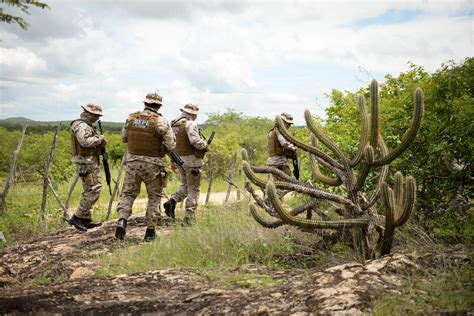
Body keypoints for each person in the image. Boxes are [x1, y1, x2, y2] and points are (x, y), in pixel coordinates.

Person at [115, 93, 176, 241]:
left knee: (128, 194)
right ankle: (150, 231)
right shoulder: (161, 121)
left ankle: (122, 220)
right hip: (153, 164)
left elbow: (124, 138)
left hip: (132, 163)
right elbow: (171, 144)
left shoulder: (131, 118)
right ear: (159, 106)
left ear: (145, 103)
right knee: (154, 197)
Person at [164, 103, 208, 226]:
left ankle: (171, 202)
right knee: (193, 188)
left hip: (179, 159)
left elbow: (170, 143)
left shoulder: (173, 124)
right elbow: (195, 141)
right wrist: (205, 145)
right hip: (192, 161)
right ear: (192, 114)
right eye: (195, 115)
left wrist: (172, 161)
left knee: (185, 184)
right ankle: (189, 217)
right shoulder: (190, 124)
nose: (195, 117)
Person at [68, 104, 107, 232]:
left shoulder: (87, 126)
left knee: (90, 189)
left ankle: (85, 219)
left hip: (90, 161)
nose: (97, 118)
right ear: (89, 114)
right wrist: (99, 139)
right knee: (94, 189)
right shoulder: (81, 126)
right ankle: (77, 217)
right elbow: (84, 142)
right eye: (96, 115)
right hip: (86, 162)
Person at [267, 112, 297, 199]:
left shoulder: (272, 131)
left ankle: (276, 203)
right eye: (288, 123)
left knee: (278, 185)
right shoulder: (279, 131)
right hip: (280, 162)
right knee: (289, 182)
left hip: (271, 162)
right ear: (282, 121)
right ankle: (274, 200)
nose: (289, 126)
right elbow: (284, 143)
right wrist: (294, 148)